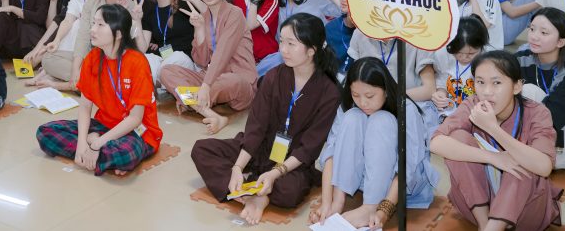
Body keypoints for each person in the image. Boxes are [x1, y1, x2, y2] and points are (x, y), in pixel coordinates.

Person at [191, 14, 341, 225]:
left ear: (312, 50)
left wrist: (275, 174)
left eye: (291, 44)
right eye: (282, 41)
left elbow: (309, 147)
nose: (283, 49)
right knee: (201, 149)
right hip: (260, 149)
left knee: (290, 191)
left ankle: (260, 192)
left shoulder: (329, 92)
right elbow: (256, 127)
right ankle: (250, 190)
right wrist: (237, 167)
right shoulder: (273, 77)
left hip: (292, 162)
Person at [431, 50, 563, 231]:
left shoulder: (537, 113)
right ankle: (484, 224)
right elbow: (436, 142)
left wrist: (493, 128)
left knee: (524, 159)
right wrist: (494, 158)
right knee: (457, 138)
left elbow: (544, 166)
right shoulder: (472, 104)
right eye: (480, 82)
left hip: (524, 212)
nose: (486, 92)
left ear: (517, 86)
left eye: (497, 83)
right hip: (476, 207)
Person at [310, 57, 438, 229]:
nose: (363, 102)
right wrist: (329, 203)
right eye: (356, 95)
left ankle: (369, 206)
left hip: (403, 187)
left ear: (386, 90)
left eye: (370, 96)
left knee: (381, 120)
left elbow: (406, 166)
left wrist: (383, 211)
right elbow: (332, 152)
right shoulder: (349, 104)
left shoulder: (406, 109)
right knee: (352, 117)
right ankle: (339, 203)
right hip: (364, 183)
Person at [36, 2, 162, 176]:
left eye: (100, 25)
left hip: (137, 132)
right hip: (104, 125)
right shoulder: (92, 58)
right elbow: (85, 107)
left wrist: (96, 143)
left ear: (118, 33)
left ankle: (104, 154)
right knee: (45, 132)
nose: (93, 29)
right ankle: (104, 157)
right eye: (94, 23)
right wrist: (82, 143)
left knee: (127, 153)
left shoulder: (138, 62)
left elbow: (135, 119)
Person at [161, 0, 257, 134]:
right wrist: (199, 29)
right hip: (210, 78)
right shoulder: (204, 16)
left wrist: (205, 86)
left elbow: (223, 53)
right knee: (166, 71)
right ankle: (209, 113)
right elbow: (201, 61)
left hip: (238, 81)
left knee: (230, 80)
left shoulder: (235, 14)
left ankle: (190, 100)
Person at [516, 8, 565, 169]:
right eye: (532, 29)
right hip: (524, 134)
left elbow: (551, 120)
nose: (534, 36)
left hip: (559, 142)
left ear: (560, 42)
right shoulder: (521, 59)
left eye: (544, 33)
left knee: (527, 91)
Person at [431, 15, 489, 118]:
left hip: (475, 113)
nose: (464, 57)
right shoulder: (443, 55)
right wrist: (440, 93)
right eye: (459, 53)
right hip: (449, 110)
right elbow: (441, 78)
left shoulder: (488, 62)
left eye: (471, 53)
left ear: (481, 47)